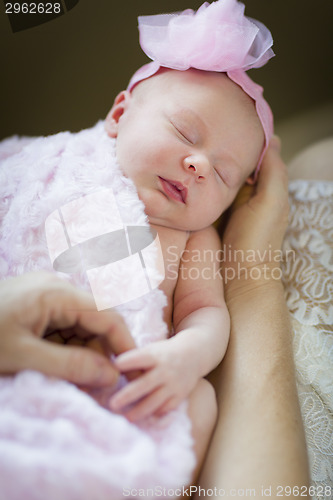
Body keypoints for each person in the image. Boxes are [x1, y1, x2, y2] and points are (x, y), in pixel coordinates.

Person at [0, 0, 303, 490]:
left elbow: (206, 314)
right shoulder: (47, 164)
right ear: (119, 113)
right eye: (185, 132)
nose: (200, 164)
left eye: (223, 174)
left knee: (199, 402)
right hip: (13, 360)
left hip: (113, 395)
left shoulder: (193, 237)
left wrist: (185, 357)